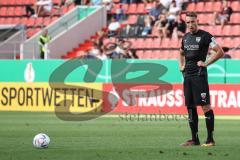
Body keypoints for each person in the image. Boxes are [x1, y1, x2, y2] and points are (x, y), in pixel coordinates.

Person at [179, 12, 224, 147]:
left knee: (205, 106)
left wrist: (206, 63)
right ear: (186, 23)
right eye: (188, 22)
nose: (190, 25)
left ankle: (210, 139)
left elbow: (220, 51)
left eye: (193, 22)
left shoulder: (206, 36)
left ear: (197, 21)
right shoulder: (185, 37)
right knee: (190, 108)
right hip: (187, 76)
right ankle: (194, 139)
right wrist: (181, 65)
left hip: (199, 76)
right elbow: (181, 53)